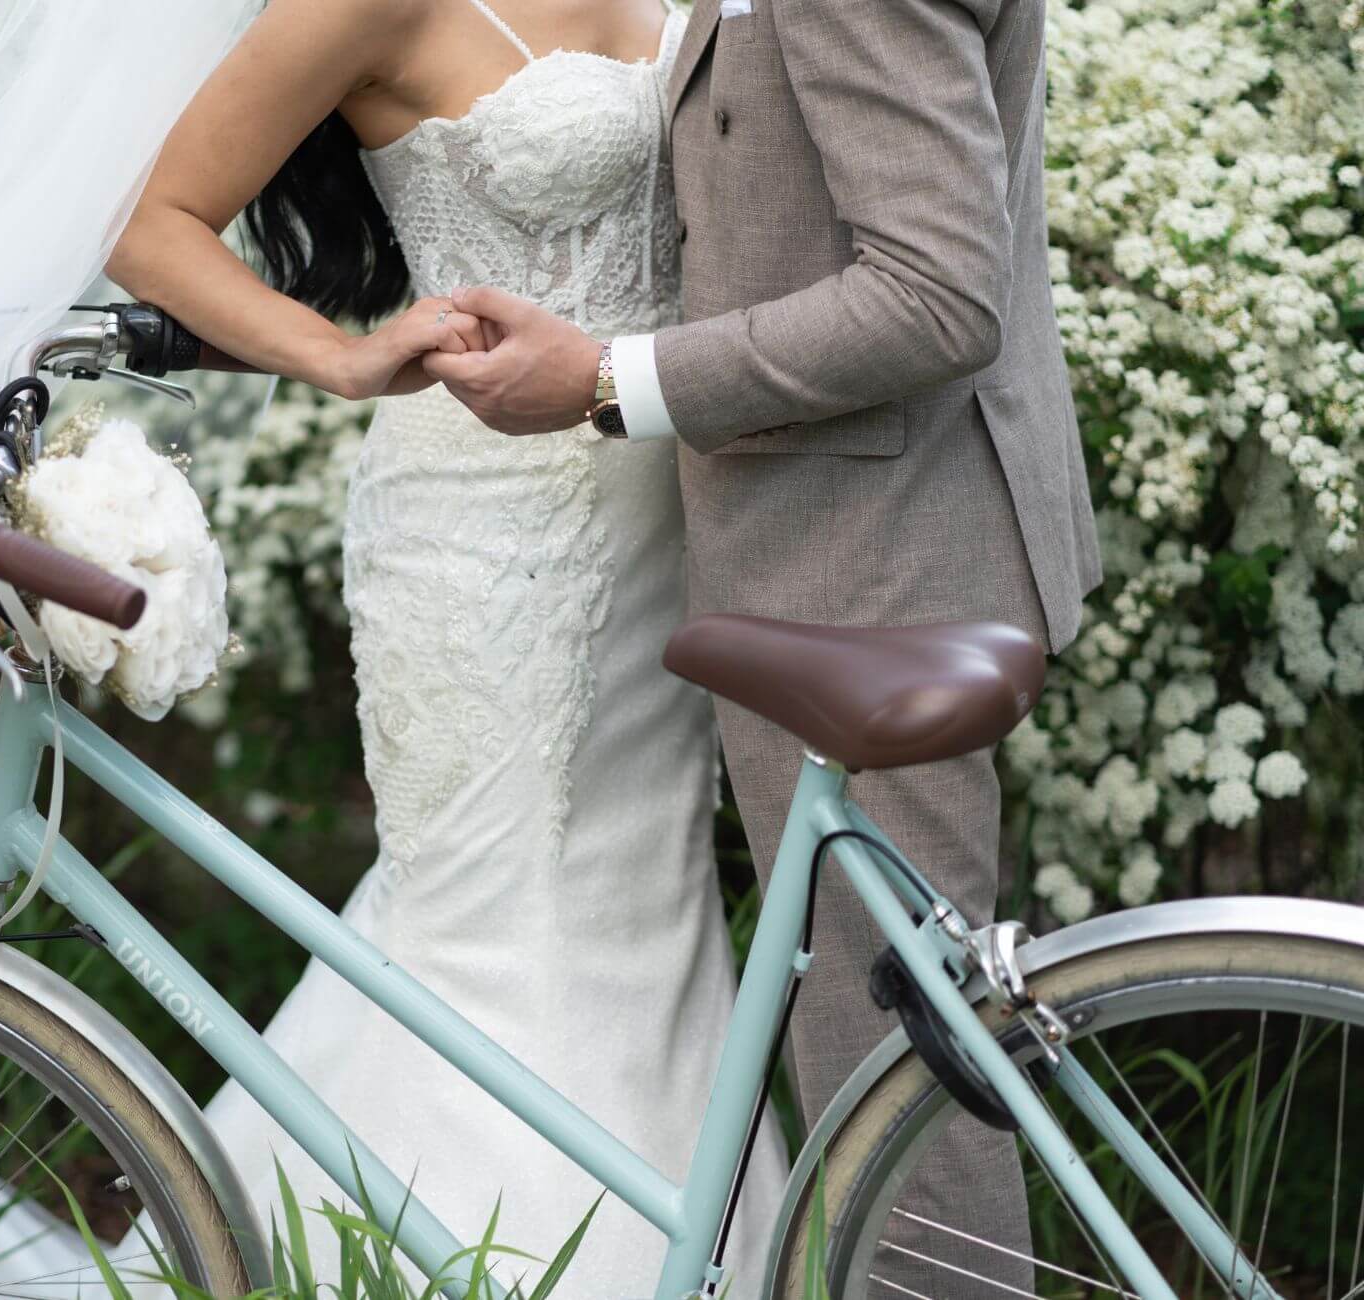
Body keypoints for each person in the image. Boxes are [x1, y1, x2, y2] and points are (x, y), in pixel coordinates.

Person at [422, 0, 1103, 1292]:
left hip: (876, 558)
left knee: (897, 1090)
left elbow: (937, 293)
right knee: (889, 1058)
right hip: (845, 534)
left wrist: (609, 379)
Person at [110, 0, 785, 1293]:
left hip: (675, 512)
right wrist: (340, 358)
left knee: (647, 897)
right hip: (481, 541)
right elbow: (149, 219)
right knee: (492, 918)